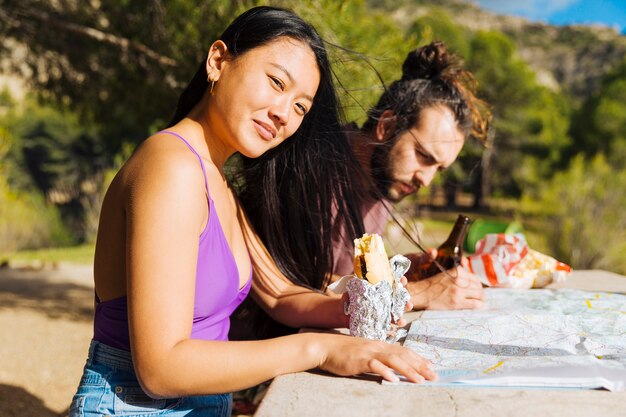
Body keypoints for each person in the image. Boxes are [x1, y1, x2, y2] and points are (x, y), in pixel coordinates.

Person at [68, 7, 435, 417]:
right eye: (276, 82)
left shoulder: (217, 183)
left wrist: (363, 304)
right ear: (218, 61)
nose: (283, 113)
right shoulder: (169, 167)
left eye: (300, 107)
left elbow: (279, 294)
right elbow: (160, 368)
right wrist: (318, 348)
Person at [231, 41, 490, 342]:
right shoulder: (316, 168)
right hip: (253, 355)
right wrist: (418, 293)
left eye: (439, 168)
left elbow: (342, 276)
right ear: (387, 126)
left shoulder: (384, 178)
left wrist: (394, 270)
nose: (427, 180)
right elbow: (301, 285)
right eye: (424, 156)